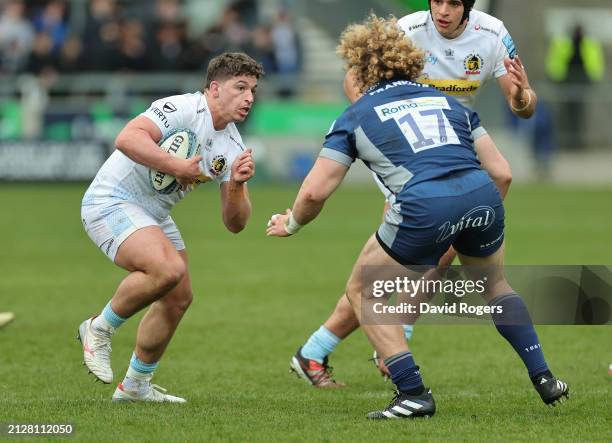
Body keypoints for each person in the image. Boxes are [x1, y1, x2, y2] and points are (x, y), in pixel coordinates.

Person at [267, 14, 568, 418]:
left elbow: (315, 191)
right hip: (481, 195)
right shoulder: (449, 102)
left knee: (365, 291)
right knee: (495, 285)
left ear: (361, 72)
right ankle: (545, 377)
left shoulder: (354, 116)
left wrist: (291, 224)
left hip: (424, 205)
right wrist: (469, 216)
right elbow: (501, 172)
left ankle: (412, 392)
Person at [78, 52, 263, 403]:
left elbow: (235, 224)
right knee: (167, 269)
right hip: (111, 200)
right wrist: (177, 166)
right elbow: (127, 138)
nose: (249, 98)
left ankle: (135, 387)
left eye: (253, 90)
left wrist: (237, 184)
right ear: (214, 88)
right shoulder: (182, 108)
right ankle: (99, 328)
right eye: (240, 87)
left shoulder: (232, 144)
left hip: (153, 213)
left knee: (178, 298)